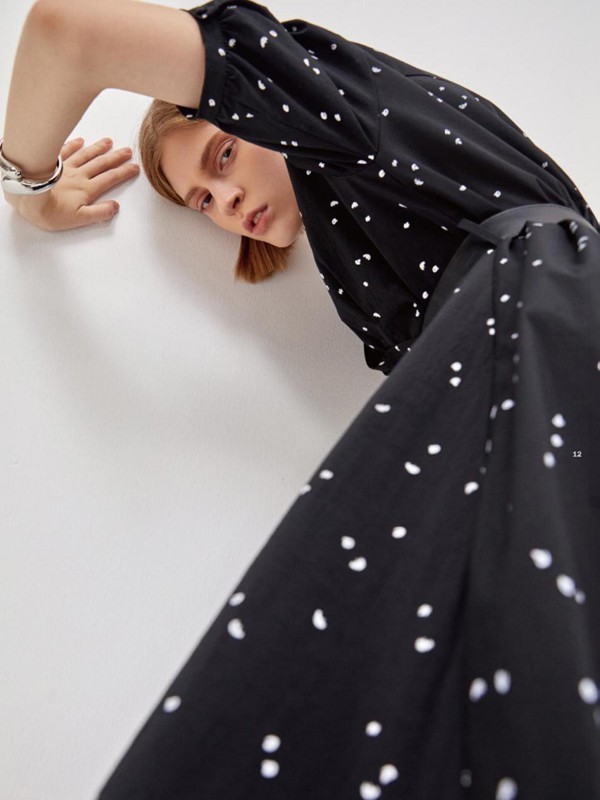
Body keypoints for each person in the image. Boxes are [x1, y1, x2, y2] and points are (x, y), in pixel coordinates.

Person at [3, 0, 599, 798]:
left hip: (535, 320)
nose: (223, 201)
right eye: (202, 202)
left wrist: (28, 191)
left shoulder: (338, 113)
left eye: (221, 157)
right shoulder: (358, 242)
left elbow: (64, 32)